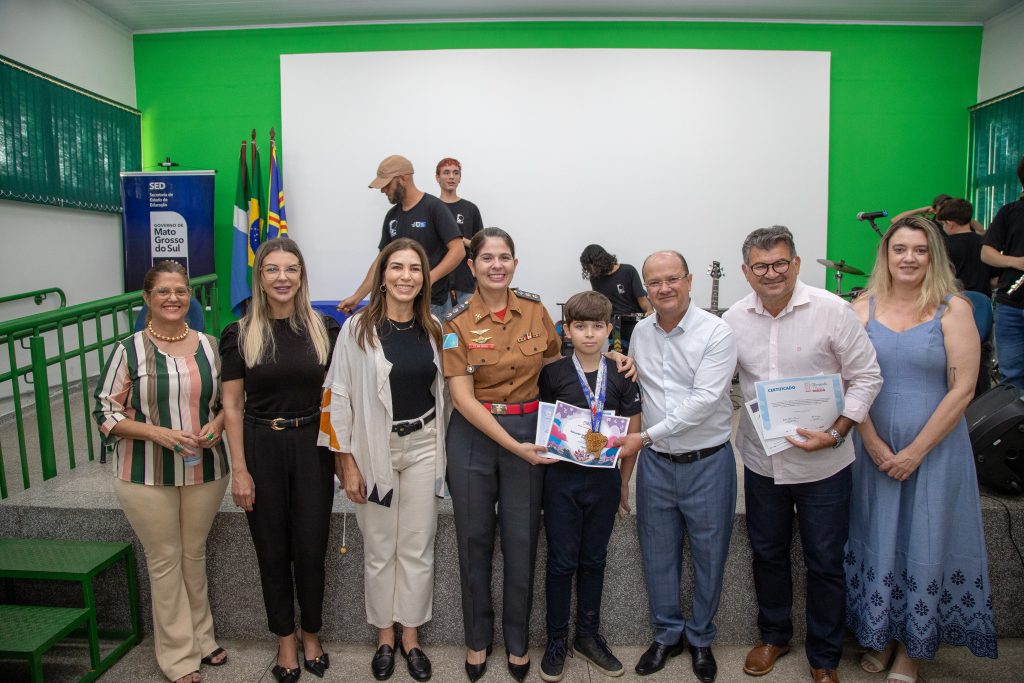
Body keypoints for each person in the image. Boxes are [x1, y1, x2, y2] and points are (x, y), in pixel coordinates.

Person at [722, 226, 882, 683]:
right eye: (760, 266)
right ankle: (774, 635)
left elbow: (867, 377)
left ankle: (825, 657)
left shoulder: (833, 312)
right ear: (746, 272)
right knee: (767, 552)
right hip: (761, 460)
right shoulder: (733, 319)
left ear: (795, 264)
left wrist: (835, 432)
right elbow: (717, 383)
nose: (771, 273)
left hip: (826, 462)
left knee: (825, 560)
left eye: (779, 264)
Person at [846, 216, 997, 682]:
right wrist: (871, 441)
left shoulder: (954, 309)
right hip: (872, 452)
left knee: (924, 544)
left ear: (934, 255)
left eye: (920, 250)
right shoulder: (861, 308)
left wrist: (914, 451)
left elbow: (963, 387)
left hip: (933, 453)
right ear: (885, 256)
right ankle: (886, 633)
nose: (908, 258)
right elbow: (849, 381)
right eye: (899, 250)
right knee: (880, 541)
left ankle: (914, 648)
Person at [94, 261, 229, 683]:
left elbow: (231, 401)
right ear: (147, 299)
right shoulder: (128, 350)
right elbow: (105, 412)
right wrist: (157, 433)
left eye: (181, 291)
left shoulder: (210, 345)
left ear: (191, 296)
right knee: (166, 560)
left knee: (194, 554)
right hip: (145, 474)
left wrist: (218, 423)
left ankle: (203, 640)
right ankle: (177, 656)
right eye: (164, 292)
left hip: (206, 469)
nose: (174, 299)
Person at [319, 239, 447, 682]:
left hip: (424, 446)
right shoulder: (357, 329)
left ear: (425, 278)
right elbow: (336, 398)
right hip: (374, 450)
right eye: (397, 267)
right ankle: (384, 638)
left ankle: (411, 637)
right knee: (379, 550)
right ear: (383, 274)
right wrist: (345, 463)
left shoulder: (433, 326)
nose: (406, 276)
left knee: (416, 546)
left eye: (415, 268)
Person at [443, 227, 562, 683]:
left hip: (529, 427)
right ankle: (477, 640)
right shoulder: (455, 321)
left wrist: (605, 360)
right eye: (487, 258)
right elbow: (463, 399)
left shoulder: (535, 310)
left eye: (505, 257)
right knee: (473, 541)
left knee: (521, 539)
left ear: (515, 263)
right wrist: (515, 447)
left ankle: (516, 642)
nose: (497, 265)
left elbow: (555, 363)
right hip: (476, 435)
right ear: (471, 266)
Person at [220, 238, 340, 683]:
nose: (282, 277)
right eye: (272, 269)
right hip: (261, 445)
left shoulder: (324, 327)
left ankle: (311, 634)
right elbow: (231, 407)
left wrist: (343, 457)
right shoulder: (239, 333)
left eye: (291, 269)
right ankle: (285, 641)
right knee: (272, 549)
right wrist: (240, 469)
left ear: (302, 275)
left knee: (311, 547)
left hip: (312, 445)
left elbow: (335, 399)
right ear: (260, 277)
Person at [615, 250, 737, 683]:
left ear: (689, 280)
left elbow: (704, 402)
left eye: (672, 279)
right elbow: (635, 390)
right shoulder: (640, 332)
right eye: (654, 282)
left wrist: (644, 437)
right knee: (657, 554)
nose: (663, 288)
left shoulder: (717, 332)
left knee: (710, 554)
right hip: (656, 466)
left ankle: (701, 638)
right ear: (644, 287)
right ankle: (667, 634)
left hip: (707, 462)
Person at [537, 290, 642, 682]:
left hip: (604, 481)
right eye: (580, 326)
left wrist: (624, 485)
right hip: (561, 482)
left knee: (594, 561)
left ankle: (588, 635)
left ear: (609, 330)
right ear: (567, 330)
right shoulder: (553, 374)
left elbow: (633, 432)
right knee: (561, 562)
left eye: (597, 326)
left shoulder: (623, 373)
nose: (588, 334)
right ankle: (557, 639)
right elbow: (546, 422)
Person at [339, 155, 465, 319]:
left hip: (431, 303)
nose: (383, 190)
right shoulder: (392, 216)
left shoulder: (434, 207)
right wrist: (357, 297)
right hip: (399, 304)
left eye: (386, 184)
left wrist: (426, 280)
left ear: (402, 179)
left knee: (432, 345)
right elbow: (380, 261)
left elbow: (458, 250)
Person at [937, 198, 995, 396]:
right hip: (983, 309)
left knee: (955, 359)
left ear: (949, 223)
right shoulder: (986, 245)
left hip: (952, 308)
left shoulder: (944, 247)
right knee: (981, 359)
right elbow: (995, 280)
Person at [981, 155, 1024, 390]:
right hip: (1011, 305)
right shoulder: (1009, 212)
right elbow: (986, 254)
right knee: (1012, 378)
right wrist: (1016, 262)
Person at [579, 244, 651, 349]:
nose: (591, 270)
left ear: (599, 260)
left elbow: (641, 297)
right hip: (615, 326)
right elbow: (601, 304)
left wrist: (649, 310)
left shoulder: (628, 271)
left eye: (591, 266)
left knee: (640, 353)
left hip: (634, 322)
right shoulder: (595, 278)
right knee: (618, 357)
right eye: (587, 268)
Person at [436, 157, 484, 306]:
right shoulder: (431, 207)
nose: (451, 176)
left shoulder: (470, 209)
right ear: (437, 177)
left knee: (468, 329)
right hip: (436, 287)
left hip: (466, 284)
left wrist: (460, 241)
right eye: (446, 172)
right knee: (438, 329)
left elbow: (481, 246)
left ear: (460, 178)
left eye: (455, 173)